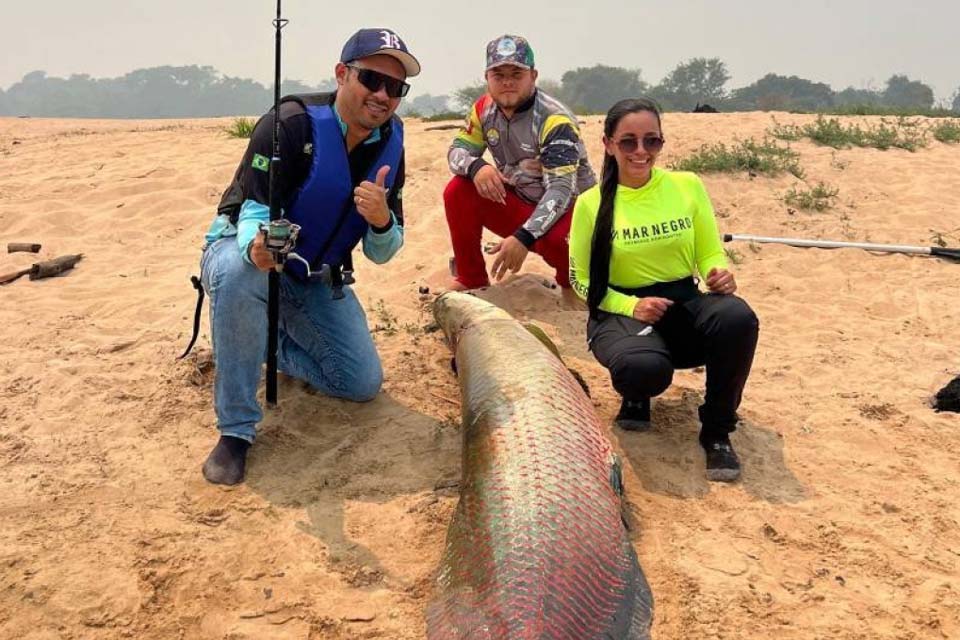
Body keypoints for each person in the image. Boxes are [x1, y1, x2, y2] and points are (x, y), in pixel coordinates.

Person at [197, 28, 420, 485]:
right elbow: (254, 211)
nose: (383, 95)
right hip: (245, 253)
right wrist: (257, 248)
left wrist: (380, 220)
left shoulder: (393, 142)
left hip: (315, 274)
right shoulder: (288, 125)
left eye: (395, 88)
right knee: (240, 274)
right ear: (342, 74)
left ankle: (253, 341)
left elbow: (384, 252)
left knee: (359, 383)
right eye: (372, 80)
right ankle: (236, 431)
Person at [569, 98, 759, 482]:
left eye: (651, 141)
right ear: (607, 144)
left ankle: (718, 430)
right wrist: (631, 305)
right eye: (628, 142)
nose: (641, 152)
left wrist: (717, 272)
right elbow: (580, 280)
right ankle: (637, 395)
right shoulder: (591, 204)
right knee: (644, 369)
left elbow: (709, 250)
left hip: (683, 301)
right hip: (621, 311)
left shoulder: (687, 185)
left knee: (737, 317)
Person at [443, 34, 596, 290]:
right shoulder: (483, 109)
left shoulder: (554, 119)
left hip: (570, 212)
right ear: (487, 78)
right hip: (521, 199)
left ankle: (571, 283)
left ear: (533, 76)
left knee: (563, 243)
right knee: (458, 190)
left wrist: (523, 237)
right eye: (498, 75)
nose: (507, 83)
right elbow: (457, 150)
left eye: (516, 74)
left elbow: (561, 190)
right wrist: (477, 166)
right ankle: (470, 278)